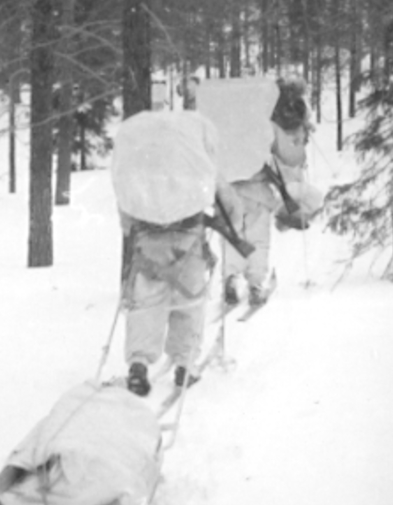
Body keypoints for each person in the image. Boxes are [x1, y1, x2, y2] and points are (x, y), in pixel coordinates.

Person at [112, 107, 245, 397]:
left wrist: (133, 226)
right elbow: (229, 202)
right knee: (190, 300)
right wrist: (230, 222)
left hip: (148, 241)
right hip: (188, 239)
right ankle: (185, 362)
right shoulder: (196, 160)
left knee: (146, 303)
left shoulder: (139, 166)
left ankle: (138, 363)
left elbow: (126, 211)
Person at [221, 76, 324, 308]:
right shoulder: (267, 125)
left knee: (233, 235)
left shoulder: (228, 123)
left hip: (229, 190)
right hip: (257, 190)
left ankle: (232, 277)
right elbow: (289, 155)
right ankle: (256, 284)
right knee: (258, 239)